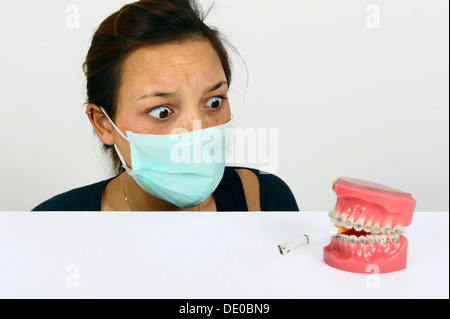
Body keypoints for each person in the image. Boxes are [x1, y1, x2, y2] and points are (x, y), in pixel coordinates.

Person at [32, 0, 299, 212]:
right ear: (103, 124)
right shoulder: (52, 225)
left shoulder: (267, 202)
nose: (196, 131)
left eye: (213, 102)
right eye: (162, 111)